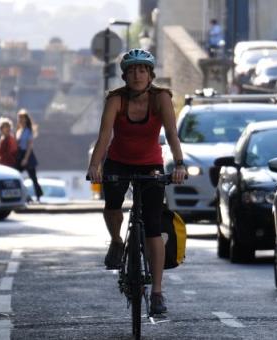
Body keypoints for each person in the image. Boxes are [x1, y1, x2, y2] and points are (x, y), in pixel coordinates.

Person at [87, 48, 186, 315]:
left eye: (142, 70)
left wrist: (178, 164)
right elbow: (104, 136)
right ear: (125, 76)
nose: (137, 75)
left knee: (153, 226)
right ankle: (117, 241)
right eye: (131, 70)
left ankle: (157, 293)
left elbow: (172, 135)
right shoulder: (116, 100)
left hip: (150, 164)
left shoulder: (161, 98)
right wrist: (95, 165)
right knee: (112, 204)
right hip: (118, 161)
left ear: (151, 75)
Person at [16, 109, 43, 202]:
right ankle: (22, 195)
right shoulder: (19, 131)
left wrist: (25, 159)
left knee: (33, 178)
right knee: (16, 175)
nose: (21, 120)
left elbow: (29, 146)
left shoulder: (28, 131)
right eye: (19, 118)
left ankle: (38, 196)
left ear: (26, 119)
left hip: (28, 155)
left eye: (23, 118)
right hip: (20, 155)